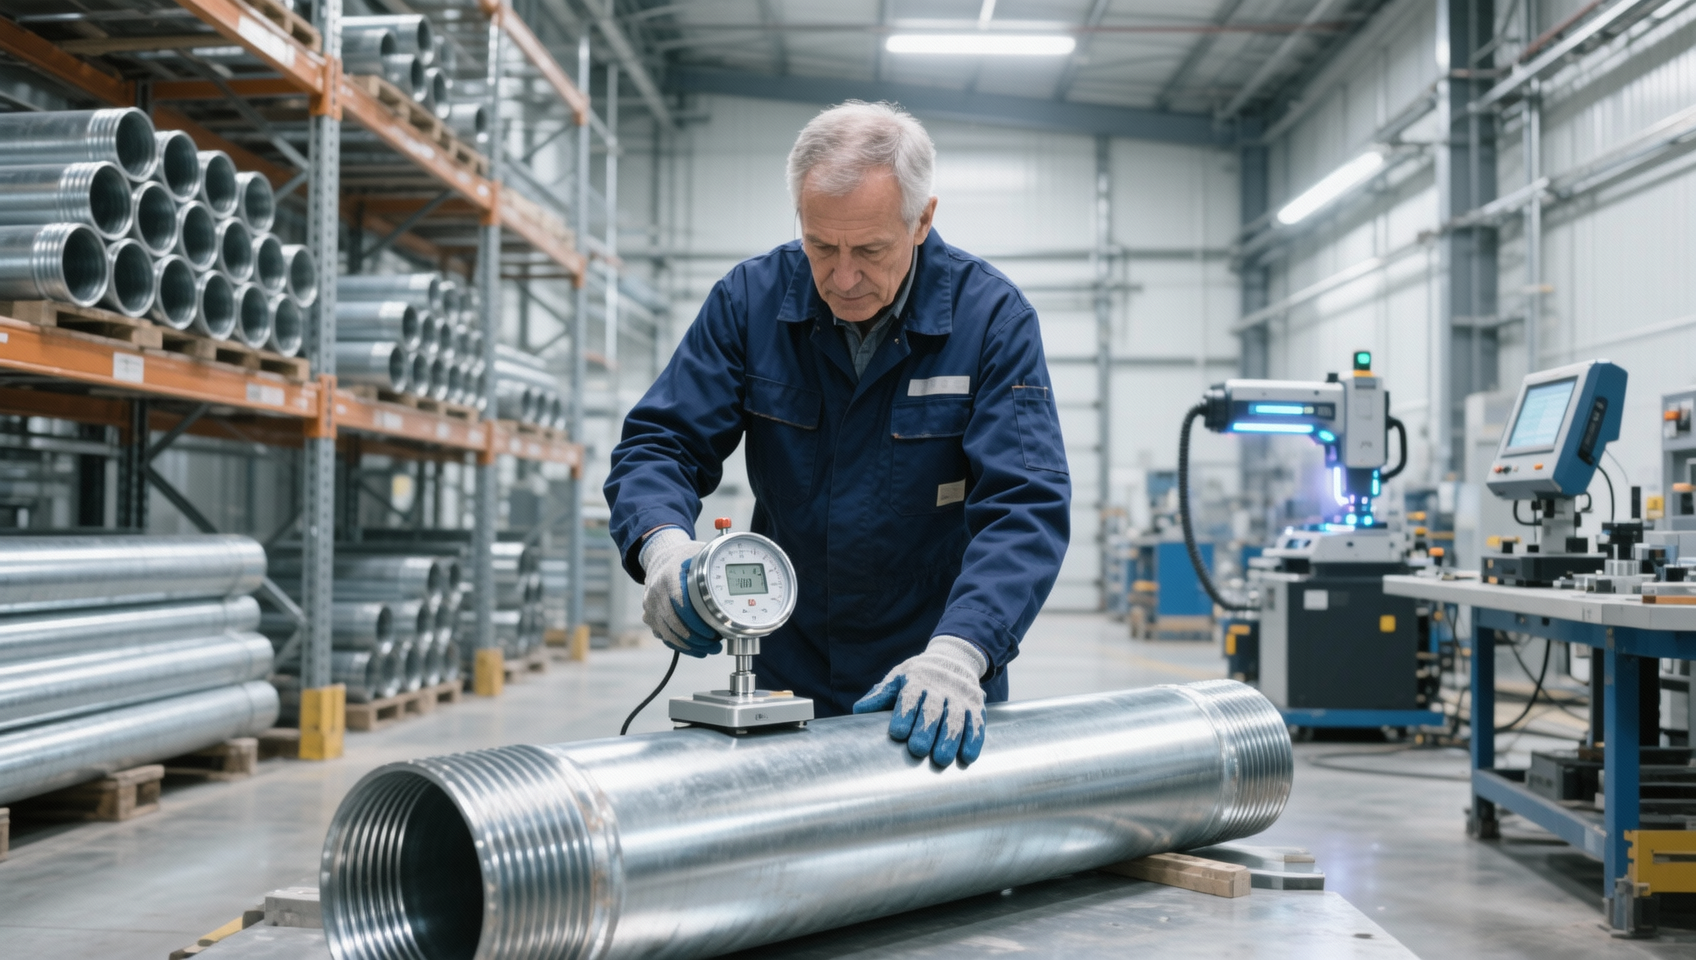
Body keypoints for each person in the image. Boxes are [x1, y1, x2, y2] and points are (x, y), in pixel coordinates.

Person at [604, 101, 1070, 765]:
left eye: (870, 250)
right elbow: (661, 443)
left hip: (934, 674)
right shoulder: (750, 303)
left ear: (923, 219)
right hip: (789, 669)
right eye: (821, 246)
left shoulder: (991, 319)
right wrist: (662, 547)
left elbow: (1024, 505)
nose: (843, 277)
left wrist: (962, 652)